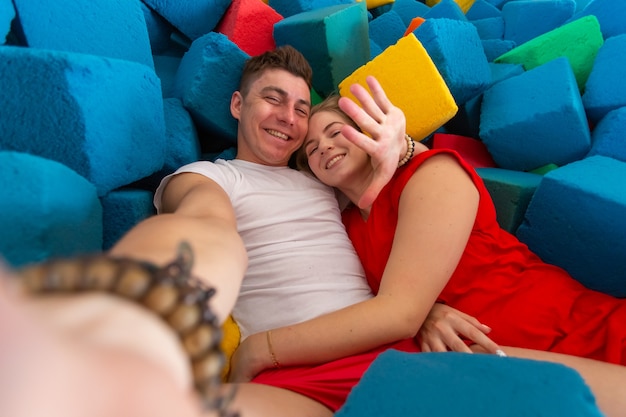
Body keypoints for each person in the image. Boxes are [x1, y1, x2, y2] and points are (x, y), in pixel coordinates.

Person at [4, 45, 427, 417]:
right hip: (290, 377)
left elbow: (406, 208)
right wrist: (133, 319)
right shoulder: (211, 177)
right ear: (238, 105)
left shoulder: (324, 177)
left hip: (382, 353)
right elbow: (206, 227)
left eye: (301, 109)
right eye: (273, 99)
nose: (288, 117)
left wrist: (429, 308)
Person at [258, 87, 626, 416]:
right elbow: (390, 299)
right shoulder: (347, 226)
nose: (323, 146)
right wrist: (426, 311)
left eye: (336, 132)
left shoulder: (431, 172)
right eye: (311, 149)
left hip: (578, 330)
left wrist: (264, 348)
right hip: (491, 368)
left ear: (367, 132)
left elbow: (397, 311)